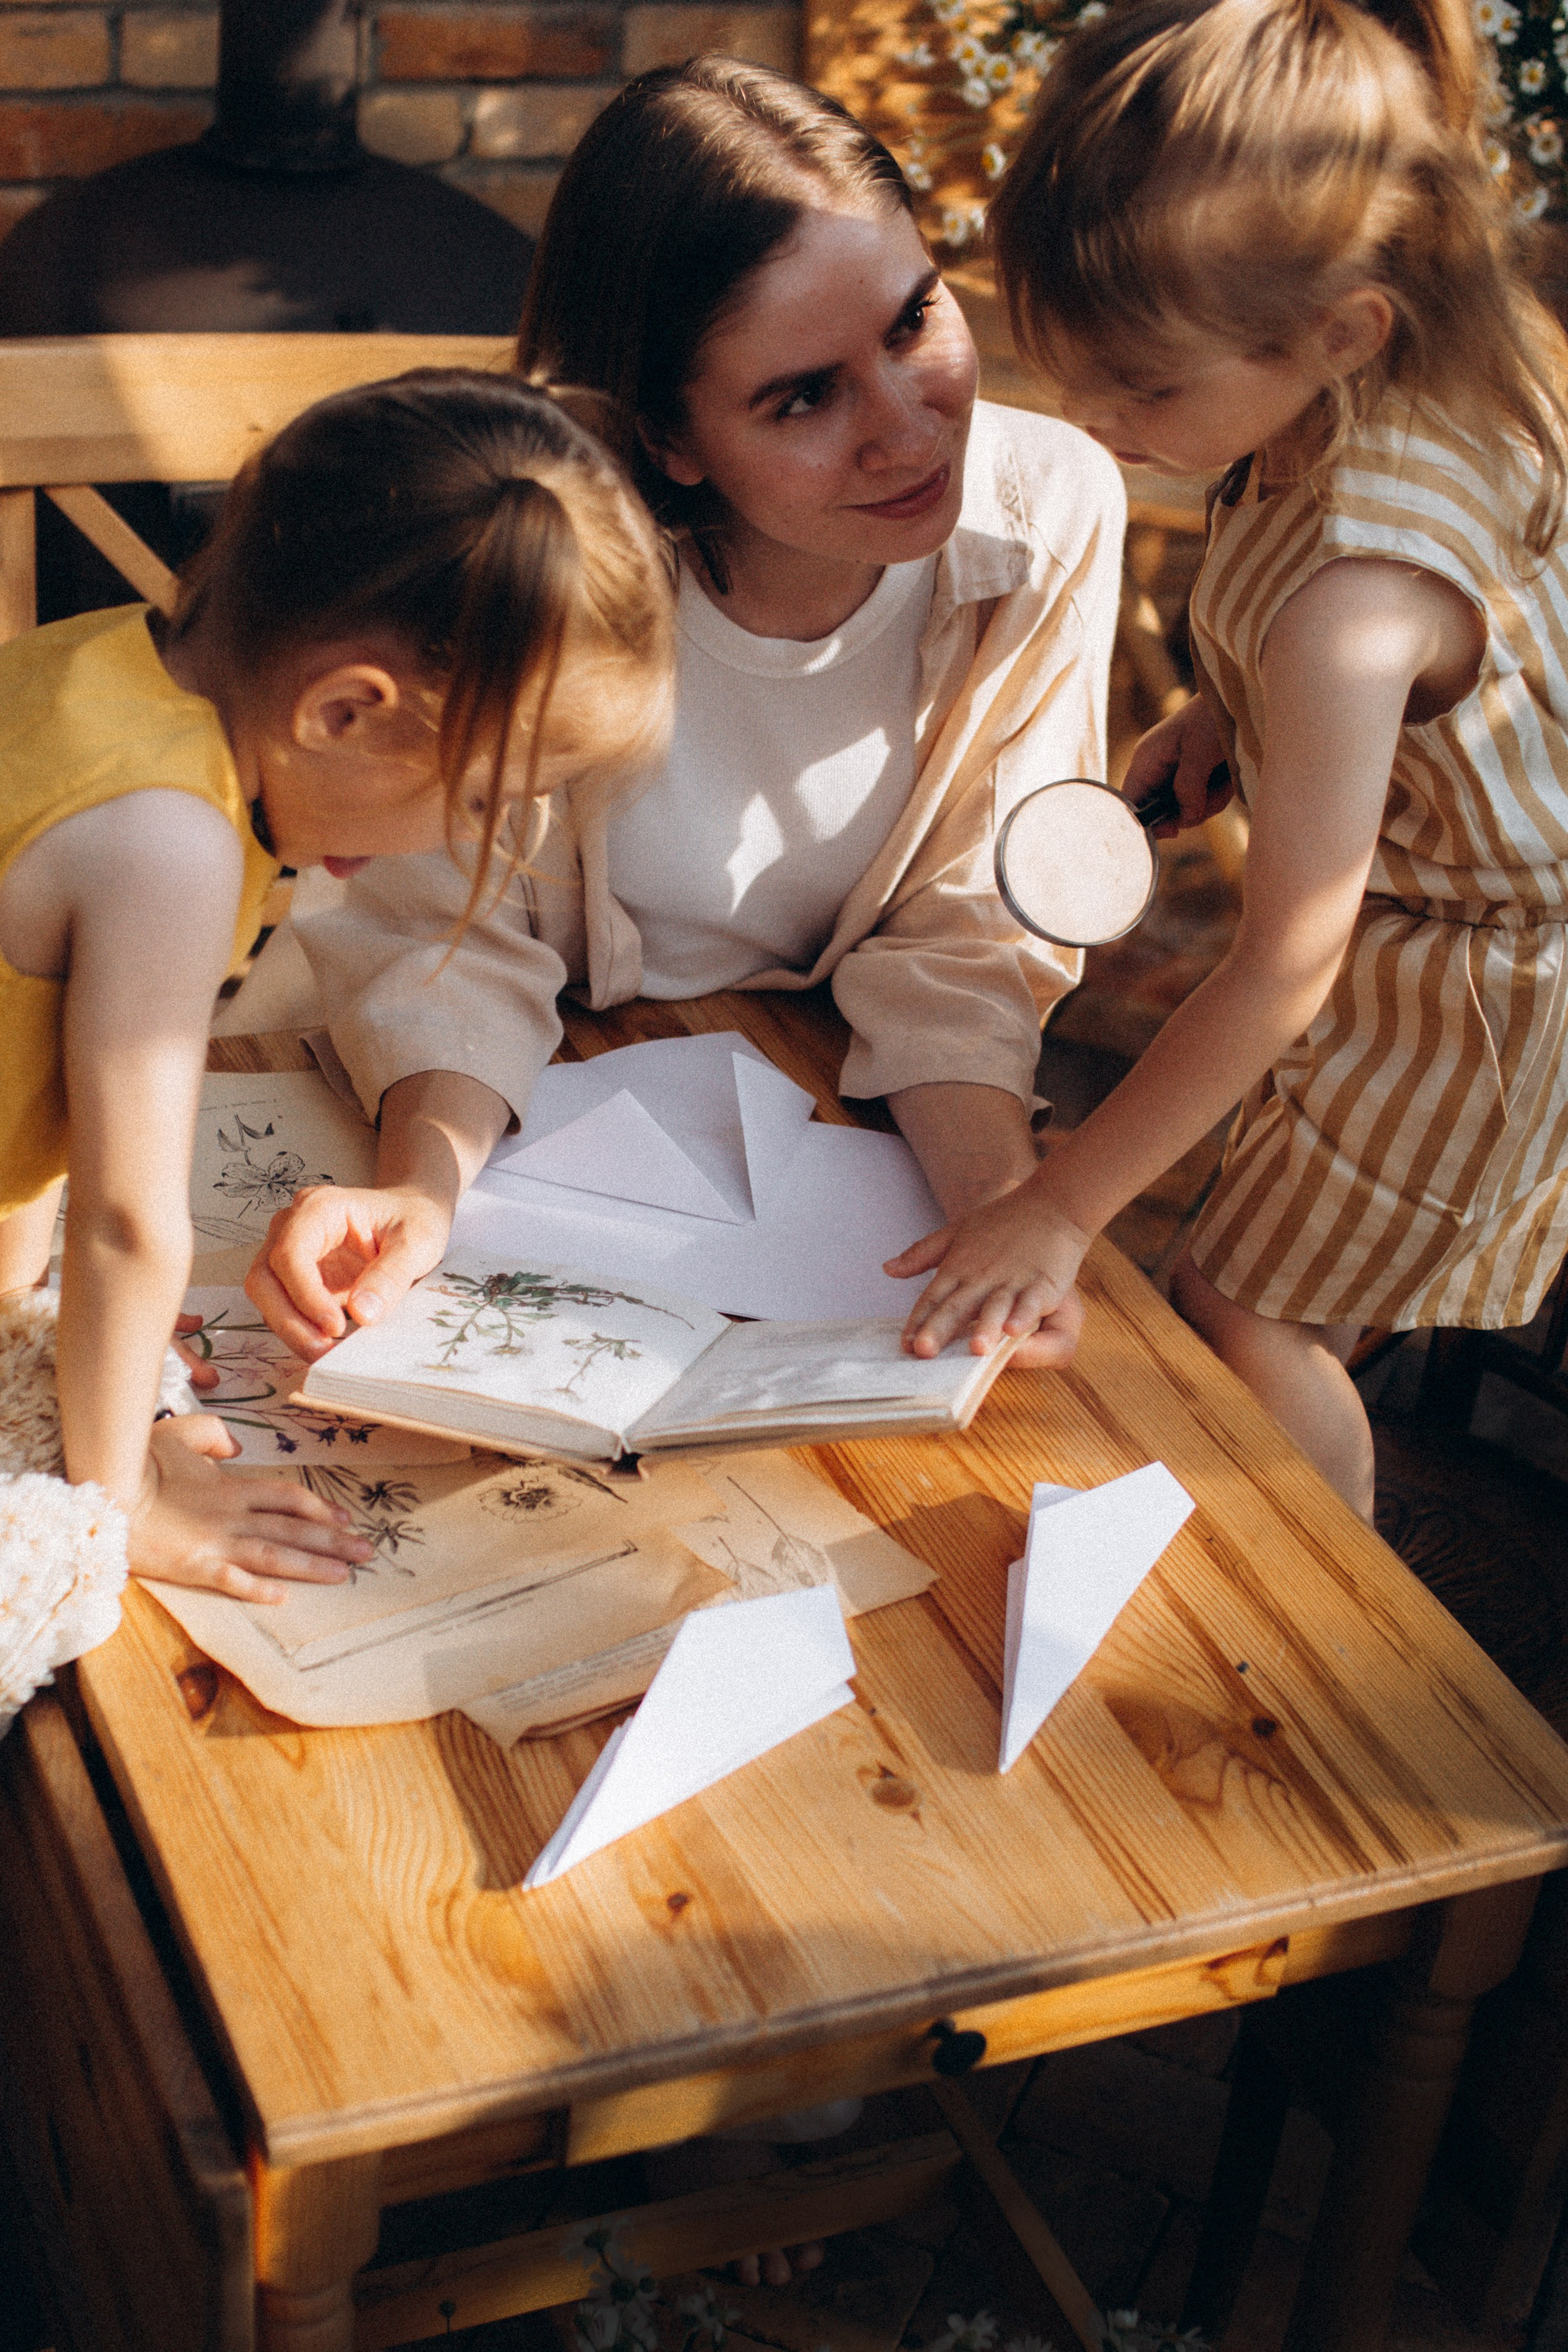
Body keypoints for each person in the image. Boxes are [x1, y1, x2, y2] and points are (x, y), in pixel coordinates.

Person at [242, 56, 1126, 1383]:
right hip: (526, 1106)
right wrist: (422, 1195)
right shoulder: (542, 556)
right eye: (803, 396)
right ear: (668, 437)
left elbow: (964, 936)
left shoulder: (1045, 513)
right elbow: (449, 934)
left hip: (833, 1120)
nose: (904, 431)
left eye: (912, 321)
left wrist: (996, 1212)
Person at [893, 0, 1568, 1521]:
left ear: (1340, 331)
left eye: (1142, 387)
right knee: (1284, 1275)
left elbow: (1276, 968)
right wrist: (1227, 720)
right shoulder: (1370, 375)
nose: (1095, 421)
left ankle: (1338, 1610)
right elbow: (1471, 667)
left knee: (1238, 1303)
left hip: (1479, 989)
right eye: (1075, 372)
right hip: (1412, 916)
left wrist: (1061, 1203)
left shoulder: (1352, 602)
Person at [0, 369, 672, 1623]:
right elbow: (125, 1219)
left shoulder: (100, 665)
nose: (482, 846)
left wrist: (24, 1333)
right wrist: (118, 1502)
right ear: (344, 710)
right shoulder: (170, 843)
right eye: (475, 799)